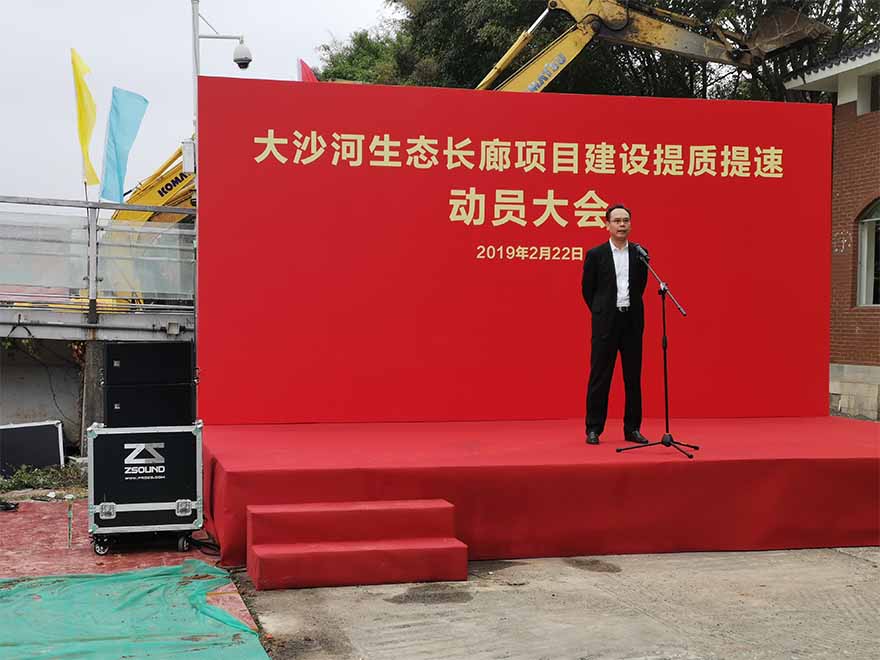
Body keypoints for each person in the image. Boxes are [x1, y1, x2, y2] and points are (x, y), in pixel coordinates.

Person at [581, 204, 650, 446]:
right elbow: (588, 290)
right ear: (607, 225)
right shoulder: (595, 255)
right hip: (605, 323)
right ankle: (593, 428)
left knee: (633, 377)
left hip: (631, 321)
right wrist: (602, 311)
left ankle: (633, 429)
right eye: (617, 220)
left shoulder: (640, 254)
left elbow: (641, 287)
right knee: (600, 376)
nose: (622, 224)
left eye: (626, 220)